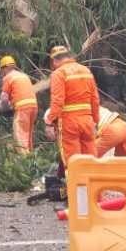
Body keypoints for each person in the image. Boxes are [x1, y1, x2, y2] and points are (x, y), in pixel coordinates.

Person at [43, 45, 99, 174]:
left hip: (69, 122)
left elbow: (58, 101)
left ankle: (75, 192)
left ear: (55, 61)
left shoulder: (59, 73)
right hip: (87, 121)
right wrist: (95, 121)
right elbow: (95, 100)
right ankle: (91, 191)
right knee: (90, 160)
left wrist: (49, 122)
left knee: (73, 162)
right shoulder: (86, 71)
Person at [0, 55, 37, 154]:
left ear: (4, 68)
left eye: (2, 71)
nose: (2, 73)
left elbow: (4, 98)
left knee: (20, 135)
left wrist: (5, 109)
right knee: (28, 133)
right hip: (33, 106)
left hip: (22, 107)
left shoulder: (8, 77)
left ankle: (25, 161)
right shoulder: (23, 75)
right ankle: (31, 157)